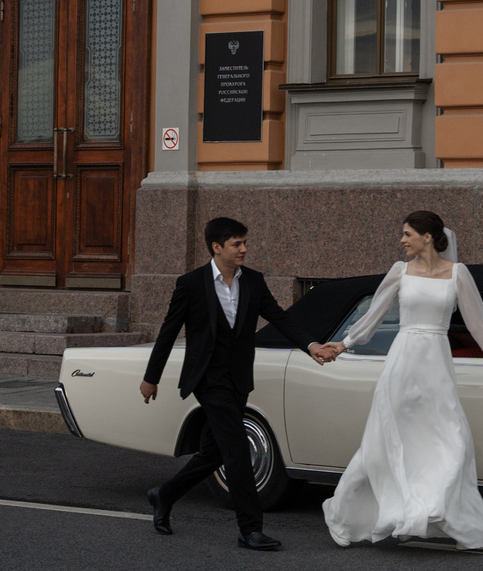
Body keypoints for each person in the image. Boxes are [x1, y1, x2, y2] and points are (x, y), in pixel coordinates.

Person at [316, 210, 483, 551]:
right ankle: (352, 512)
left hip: (437, 363)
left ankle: (434, 509)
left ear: (427, 237)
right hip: (403, 361)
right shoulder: (400, 271)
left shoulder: (458, 274)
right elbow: (373, 314)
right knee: (385, 439)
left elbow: (478, 322)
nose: (402, 240)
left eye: (408, 233)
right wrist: (343, 343)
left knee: (448, 436)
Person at [141, 216, 342, 551]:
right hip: (208, 378)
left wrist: (311, 346)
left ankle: (164, 494)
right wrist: (151, 377)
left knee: (215, 451)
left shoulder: (253, 282)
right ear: (217, 247)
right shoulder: (191, 283)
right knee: (236, 451)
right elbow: (168, 330)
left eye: (245, 242)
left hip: (238, 378)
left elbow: (280, 317)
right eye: (237, 244)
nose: (244, 249)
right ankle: (250, 528)